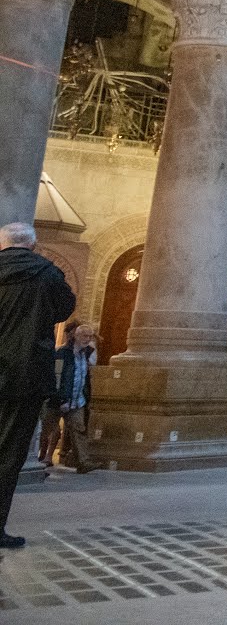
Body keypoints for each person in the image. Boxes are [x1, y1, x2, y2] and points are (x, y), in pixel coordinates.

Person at [0, 222, 76, 548]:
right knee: (9, 454)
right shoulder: (48, 274)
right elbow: (65, 309)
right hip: (25, 374)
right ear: (32, 245)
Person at [49, 321, 97, 473]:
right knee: (49, 430)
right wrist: (60, 398)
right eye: (84, 336)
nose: (87, 339)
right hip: (60, 399)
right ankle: (45, 458)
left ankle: (83, 462)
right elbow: (57, 376)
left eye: (90, 336)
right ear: (76, 336)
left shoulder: (86, 354)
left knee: (79, 431)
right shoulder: (63, 353)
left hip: (77, 400)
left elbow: (84, 378)